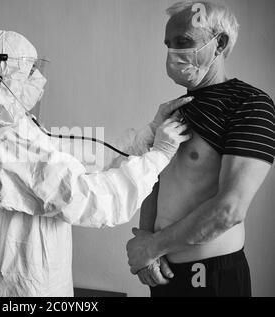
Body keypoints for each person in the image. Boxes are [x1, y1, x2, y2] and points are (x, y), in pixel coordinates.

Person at [0, 30, 191, 297]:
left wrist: (150, 133)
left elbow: (85, 165)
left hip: (39, 279)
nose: (38, 79)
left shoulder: (19, 129)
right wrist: (159, 157)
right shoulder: (6, 142)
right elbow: (85, 196)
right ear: (0, 77)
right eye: (29, 71)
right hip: (19, 288)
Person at [126, 1, 275, 297]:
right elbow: (154, 180)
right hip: (163, 272)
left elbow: (229, 209)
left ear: (219, 43)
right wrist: (145, 239)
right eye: (168, 44)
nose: (172, 53)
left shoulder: (250, 105)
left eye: (183, 42)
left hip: (212, 277)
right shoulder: (176, 112)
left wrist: (150, 247)